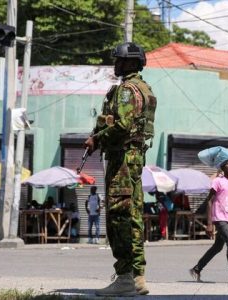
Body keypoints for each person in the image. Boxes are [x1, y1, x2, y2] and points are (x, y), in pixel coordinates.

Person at [84, 42, 156, 297]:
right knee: (133, 215)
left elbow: (123, 125)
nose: (115, 64)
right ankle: (137, 276)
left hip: (122, 159)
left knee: (119, 216)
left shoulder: (126, 90)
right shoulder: (145, 89)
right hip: (135, 158)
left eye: (120, 60)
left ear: (132, 63)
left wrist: (97, 139)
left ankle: (124, 277)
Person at [189, 158, 228, 285]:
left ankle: (196, 269)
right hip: (219, 218)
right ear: (222, 167)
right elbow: (209, 201)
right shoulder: (217, 181)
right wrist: (210, 224)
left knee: (217, 247)